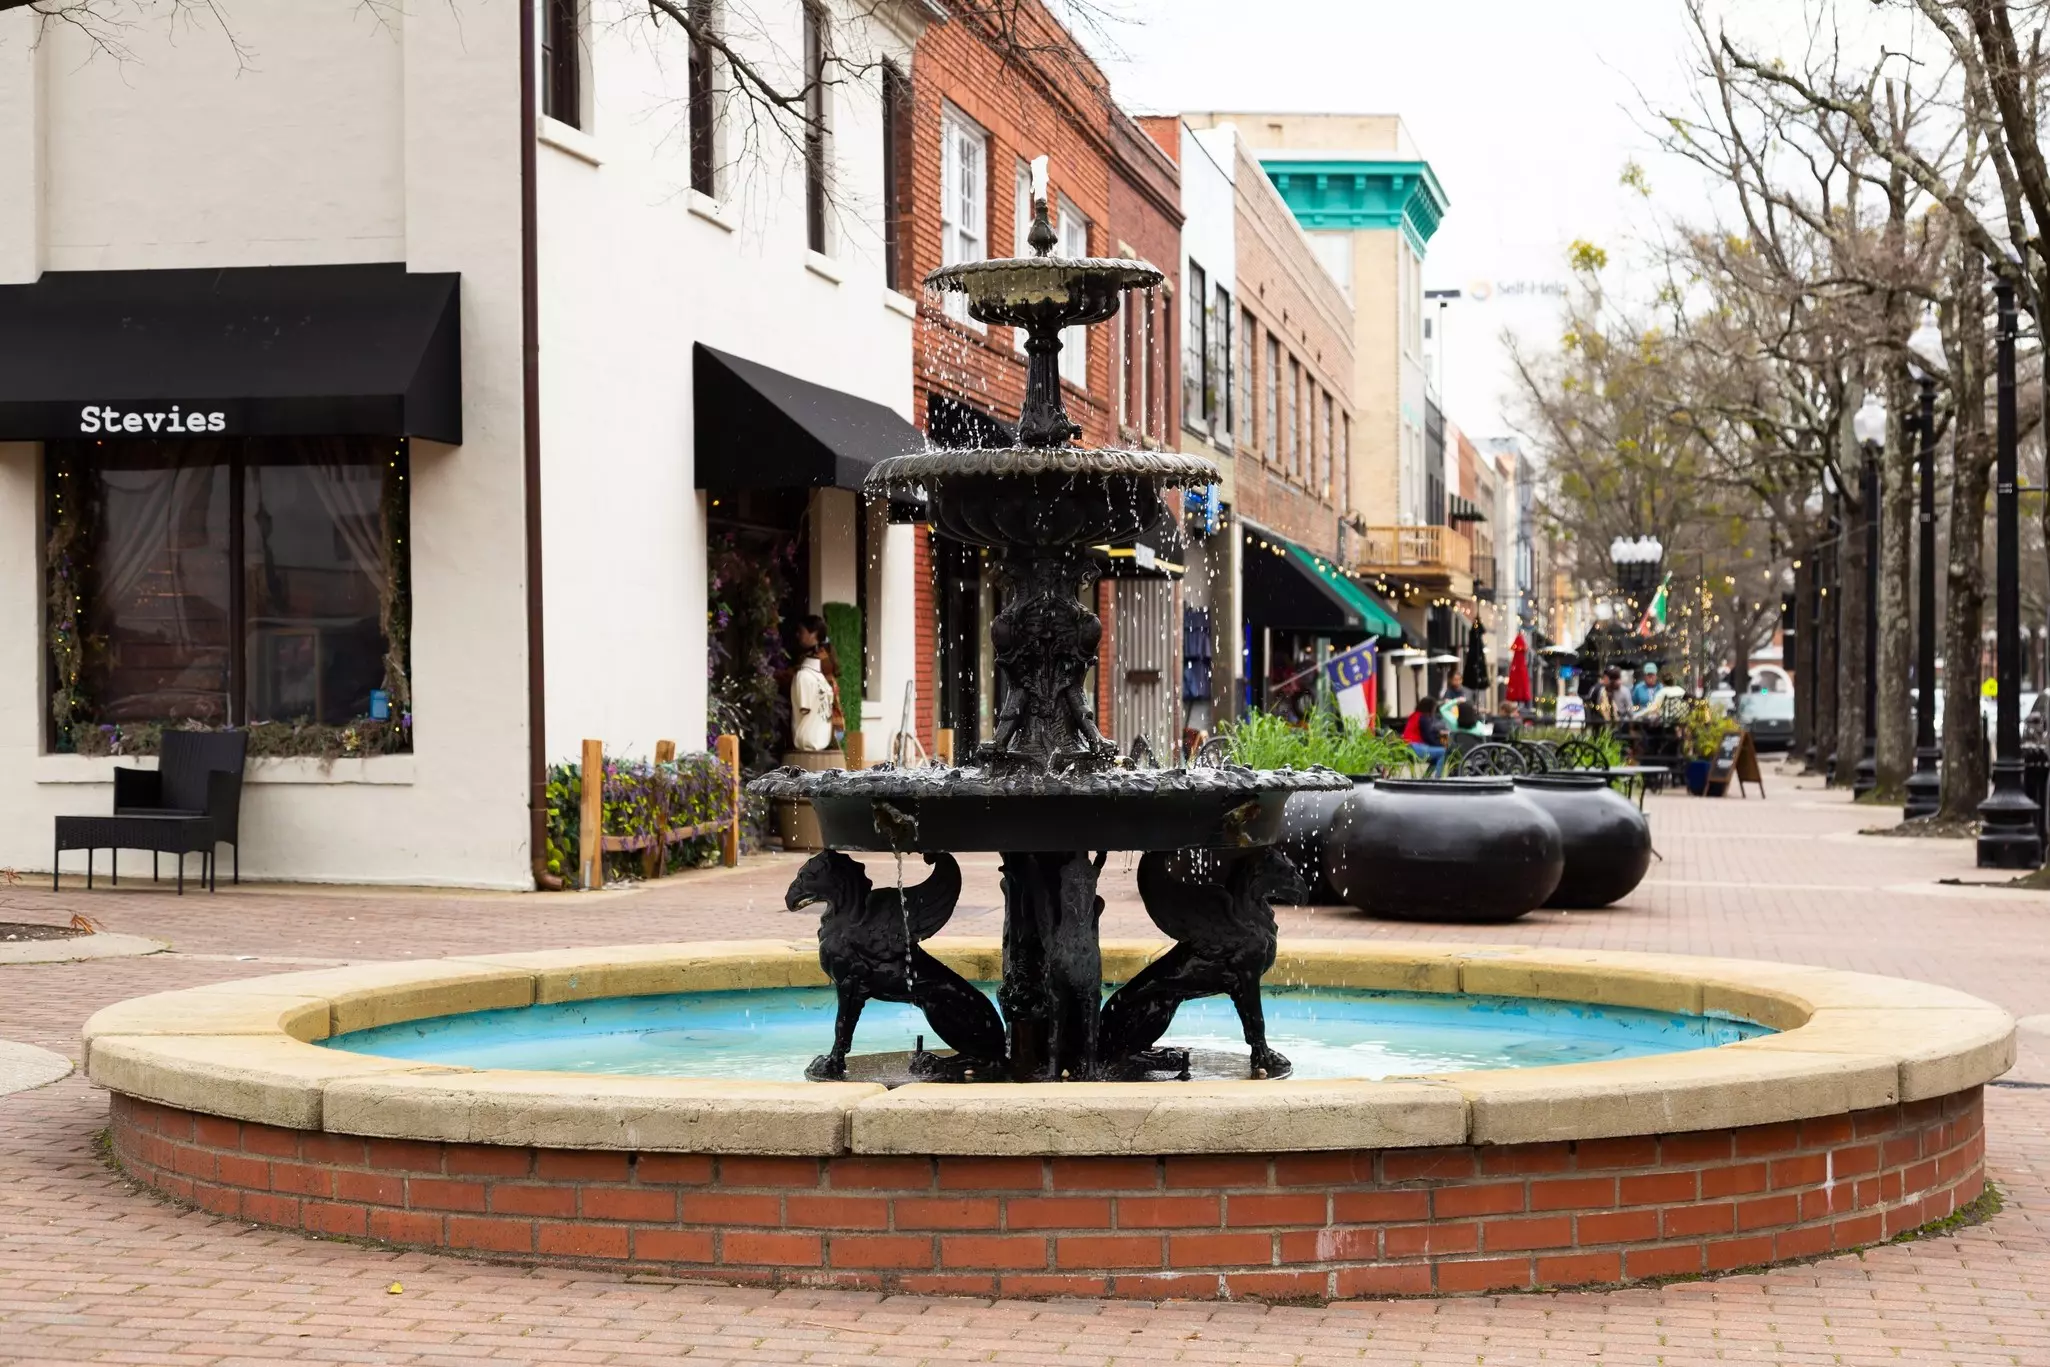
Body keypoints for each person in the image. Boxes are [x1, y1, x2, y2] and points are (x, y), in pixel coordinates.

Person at [789, 617, 837, 753]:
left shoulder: (817, 663)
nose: (798, 635)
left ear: (813, 634)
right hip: (820, 739)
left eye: (801, 631)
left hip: (810, 740)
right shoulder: (818, 666)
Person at [1403, 692, 1449, 776]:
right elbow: (1428, 737)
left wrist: (1438, 734)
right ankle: (1438, 780)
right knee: (1443, 752)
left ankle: (1426, 778)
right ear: (1430, 708)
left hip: (1408, 747)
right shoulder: (1423, 718)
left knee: (1437, 755)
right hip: (1415, 747)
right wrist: (1443, 744)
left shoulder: (1415, 715)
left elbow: (1428, 732)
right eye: (1434, 707)